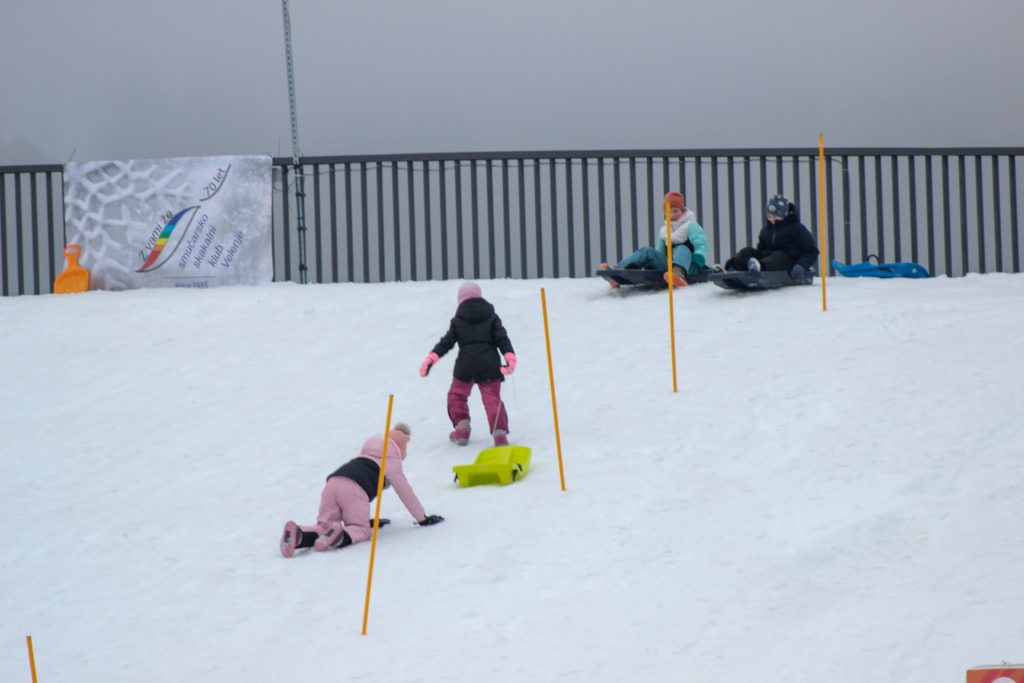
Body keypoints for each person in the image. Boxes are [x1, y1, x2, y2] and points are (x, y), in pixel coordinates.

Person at [279, 423, 443, 557]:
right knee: (360, 529)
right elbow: (404, 491)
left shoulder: (366, 452)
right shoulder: (392, 460)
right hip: (355, 489)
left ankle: (298, 536)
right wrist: (422, 518)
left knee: (324, 526)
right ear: (400, 450)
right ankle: (339, 536)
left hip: (333, 482)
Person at [419, 281, 516, 447]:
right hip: (489, 366)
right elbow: (502, 338)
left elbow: (447, 342)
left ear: (460, 300)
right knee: (492, 399)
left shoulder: (458, 320)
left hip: (466, 366)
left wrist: (431, 358)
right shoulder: (491, 317)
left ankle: (462, 428)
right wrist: (510, 357)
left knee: (456, 396)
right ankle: (499, 434)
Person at [599, 191, 709, 287]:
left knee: (682, 248)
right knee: (646, 250)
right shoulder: (664, 230)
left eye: (675, 211)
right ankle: (618, 273)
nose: (672, 215)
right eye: (669, 212)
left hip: (688, 265)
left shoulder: (691, 226)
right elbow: (659, 252)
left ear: (682, 210)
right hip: (668, 266)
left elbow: (701, 246)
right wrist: (652, 265)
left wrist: (697, 263)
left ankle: (678, 276)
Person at [724, 193, 819, 279]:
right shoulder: (766, 230)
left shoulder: (797, 228)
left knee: (778, 256)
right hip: (769, 260)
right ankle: (730, 269)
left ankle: (759, 270)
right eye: (769, 216)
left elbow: (812, 251)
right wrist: (754, 257)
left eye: (775, 216)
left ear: (784, 215)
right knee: (747, 251)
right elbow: (760, 250)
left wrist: (801, 266)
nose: (772, 219)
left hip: (790, 263)